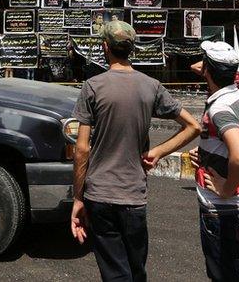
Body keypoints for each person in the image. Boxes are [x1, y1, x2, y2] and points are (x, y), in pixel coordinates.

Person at [71, 21, 202, 282]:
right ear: (131, 49)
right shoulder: (151, 86)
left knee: (115, 273)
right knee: (136, 271)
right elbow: (193, 126)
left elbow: (82, 149)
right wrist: (158, 152)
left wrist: (78, 198)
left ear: (105, 47)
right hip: (134, 196)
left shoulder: (93, 86)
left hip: (100, 194)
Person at [184, 41, 239, 281]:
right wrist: (207, 153)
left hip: (223, 209)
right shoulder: (236, 94)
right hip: (237, 205)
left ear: (207, 69)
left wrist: (226, 188)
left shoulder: (221, 109)